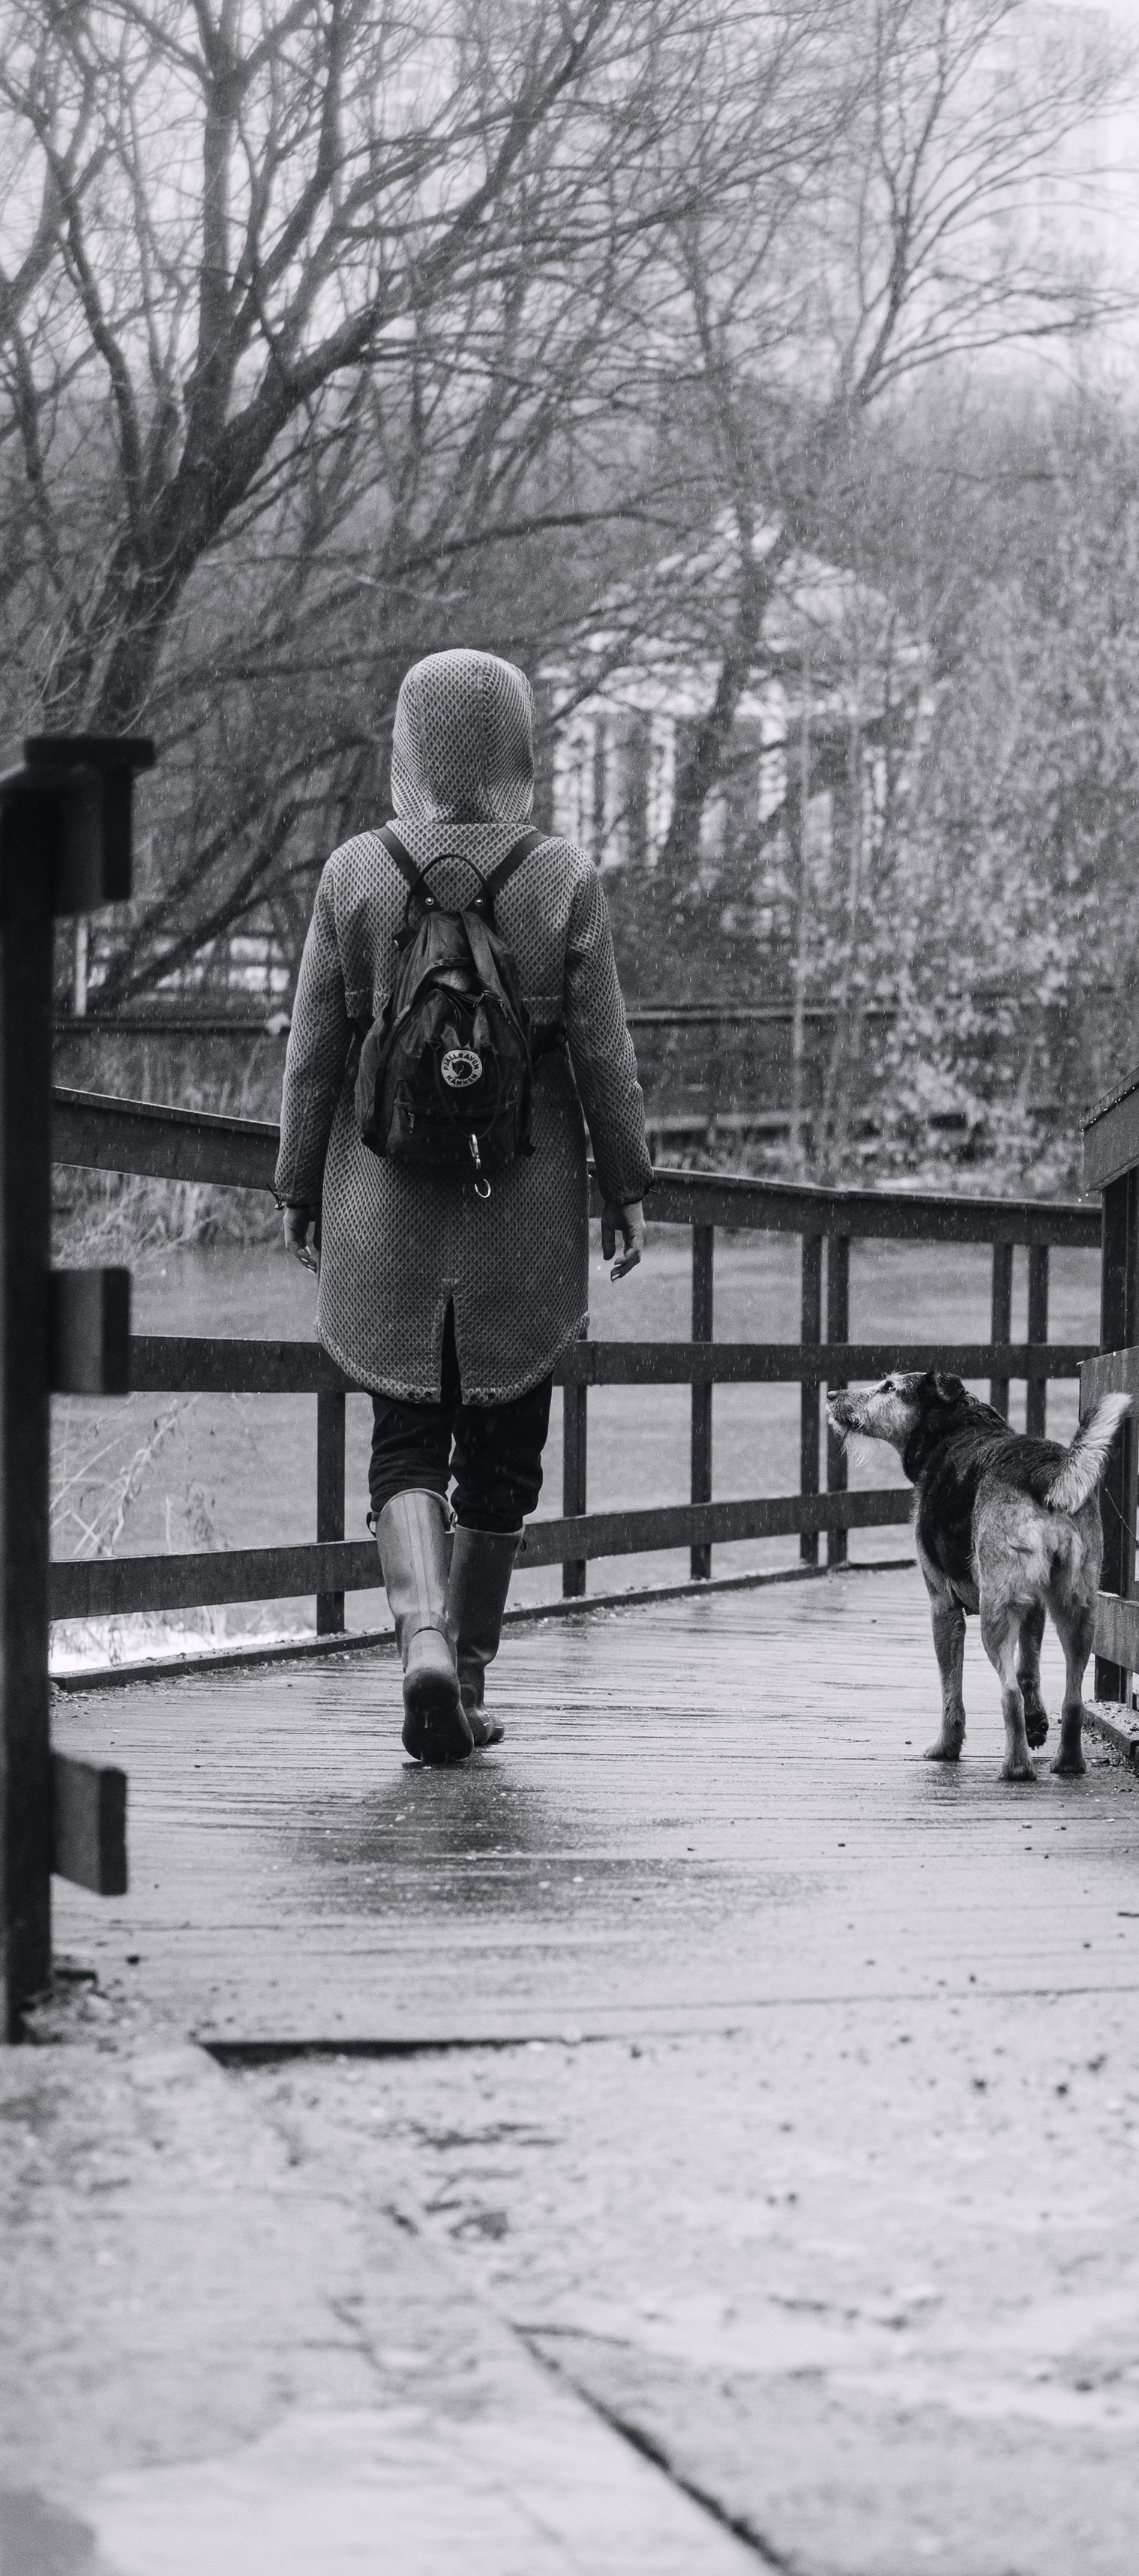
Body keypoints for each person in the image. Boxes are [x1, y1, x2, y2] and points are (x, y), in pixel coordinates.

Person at [274, 649, 652, 1762]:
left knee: (404, 1442)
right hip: (522, 1216)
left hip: (384, 1212)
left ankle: (421, 1642)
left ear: (409, 744)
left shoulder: (356, 873)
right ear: (517, 747)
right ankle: (469, 1675)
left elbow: (312, 1057)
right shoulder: (558, 876)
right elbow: (603, 1057)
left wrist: (299, 1182)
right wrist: (627, 1187)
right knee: (503, 1453)